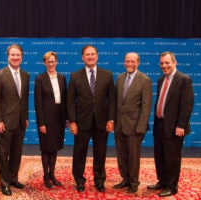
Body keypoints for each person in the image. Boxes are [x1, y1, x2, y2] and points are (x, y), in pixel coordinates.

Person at [67, 45, 116, 192]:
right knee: (79, 153)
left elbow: (112, 100)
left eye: (92, 54)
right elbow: (70, 102)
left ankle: (100, 180)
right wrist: (72, 121)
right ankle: (79, 180)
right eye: (87, 54)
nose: (90, 57)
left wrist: (111, 119)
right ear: (82, 57)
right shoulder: (75, 76)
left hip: (102, 122)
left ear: (97, 56)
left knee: (100, 153)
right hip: (81, 122)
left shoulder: (107, 75)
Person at [147, 51, 194, 197]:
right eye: (162, 63)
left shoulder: (184, 79)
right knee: (159, 155)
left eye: (167, 63)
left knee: (172, 157)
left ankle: (171, 186)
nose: (164, 66)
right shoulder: (161, 79)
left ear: (175, 62)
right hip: (160, 124)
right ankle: (162, 181)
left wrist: (181, 125)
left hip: (175, 127)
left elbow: (187, 105)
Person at [0, 44, 30, 196]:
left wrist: (25, 117)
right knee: (3, 153)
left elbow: (24, 100)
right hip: (5, 123)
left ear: (22, 57)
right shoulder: (0, 75)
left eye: (18, 55)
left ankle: (13, 178)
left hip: (20, 122)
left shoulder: (26, 75)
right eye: (13, 55)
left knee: (17, 152)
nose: (15, 58)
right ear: (8, 57)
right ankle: (4, 182)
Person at [113, 52, 152, 193]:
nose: (130, 64)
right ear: (124, 62)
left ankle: (134, 183)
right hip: (119, 125)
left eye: (133, 61)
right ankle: (125, 179)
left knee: (133, 157)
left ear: (138, 63)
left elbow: (146, 106)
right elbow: (117, 103)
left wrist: (141, 127)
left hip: (135, 126)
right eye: (127, 61)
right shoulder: (120, 78)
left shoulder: (145, 80)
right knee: (121, 155)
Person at [34, 51, 67, 188]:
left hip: (59, 119)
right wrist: (41, 123)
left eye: (53, 61)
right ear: (44, 63)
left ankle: (52, 175)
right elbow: (38, 102)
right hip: (46, 120)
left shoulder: (62, 78)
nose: (51, 63)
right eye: (48, 61)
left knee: (55, 149)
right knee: (46, 149)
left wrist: (66, 119)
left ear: (57, 62)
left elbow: (65, 100)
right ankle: (46, 176)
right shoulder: (40, 79)